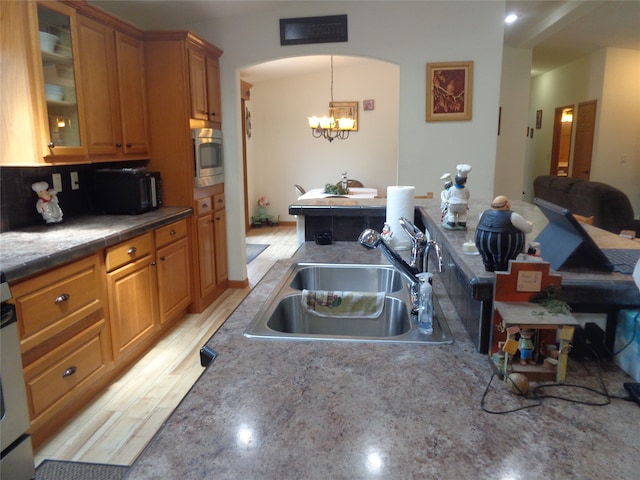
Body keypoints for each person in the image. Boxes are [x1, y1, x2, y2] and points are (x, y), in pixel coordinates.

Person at [474, 195, 532, 272]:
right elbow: (527, 229)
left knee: (487, 262)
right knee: (503, 265)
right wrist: (529, 224)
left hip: (482, 241)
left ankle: (488, 267)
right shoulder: (513, 216)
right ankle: (501, 271)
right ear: (507, 204)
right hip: (503, 244)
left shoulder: (484, 214)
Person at [442, 164, 471, 230]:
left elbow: (448, 196)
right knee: (462, 214)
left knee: (451, 213)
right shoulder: (466, 189)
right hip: (463, 204)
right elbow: (468, 196)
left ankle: (452, 222)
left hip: (453, 204)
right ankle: (462, 223)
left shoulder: (452, 188)